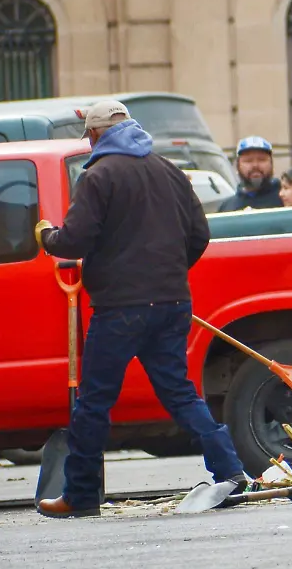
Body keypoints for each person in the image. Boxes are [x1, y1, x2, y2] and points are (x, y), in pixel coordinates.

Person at [34, 100, 246, 517]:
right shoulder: (169, 170)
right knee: (180, 391)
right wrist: (166, 274)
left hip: (120, 308)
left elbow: (74, 241)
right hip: (171, 302)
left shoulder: (99, 176)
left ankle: (79, 495)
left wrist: (47, 237)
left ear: (95, 135)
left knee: (94, 400)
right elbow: (199, 235)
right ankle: (231, 468)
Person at [218, 136, 284, 212]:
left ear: (271, 164)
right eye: (248, 161)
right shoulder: (228, 206)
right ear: (237, 166)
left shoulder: (285, 199)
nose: (255, 165)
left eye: (262, 160)